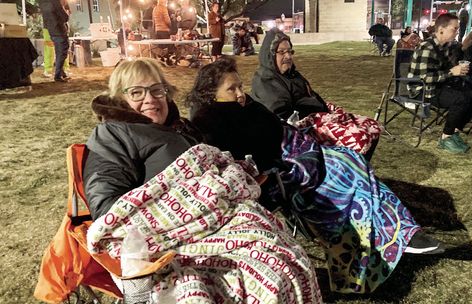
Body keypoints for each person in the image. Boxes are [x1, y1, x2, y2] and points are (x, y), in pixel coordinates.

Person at [187, 57, 444, 295]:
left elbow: (276, 126)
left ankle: (400, 231)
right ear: (211, 93)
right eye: (232, 89)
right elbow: (247, 156)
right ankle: (391, 238)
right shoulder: (210, 121)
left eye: (240, 86)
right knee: (341, 175)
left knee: (349, 158)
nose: (241, 94)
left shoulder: (246, 105)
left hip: (296, 150)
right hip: (276, 172)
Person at [83, 58, 322, 303]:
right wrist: (185, 201)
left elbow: (210, 162)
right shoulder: (113, 134)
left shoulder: (180, 127)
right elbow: (106, 206)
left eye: (157, 90)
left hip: (222, 219)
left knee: (287, 258)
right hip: (171, 236)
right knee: (264, 278)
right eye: (136, 92)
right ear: (120, 98)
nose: (150, 99)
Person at [251, 28, 381, 160]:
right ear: (270, 54)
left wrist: (326, 111)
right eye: (282, 52)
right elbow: (283, 115)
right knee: (359, 137)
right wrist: (315, 115)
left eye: (290, 51)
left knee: (371, 126)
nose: (288, 56)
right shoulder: (266, 80)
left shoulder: (292, 75)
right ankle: (347, 172)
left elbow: (311, 96)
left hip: (319, 117)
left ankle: (360, 169)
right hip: (301, 131)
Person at [408, 13, 472, 154]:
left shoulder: (447, 47)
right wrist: (451, 72)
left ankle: (454, 131)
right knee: (461, 99)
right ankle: (446, 138)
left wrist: (461, 68)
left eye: (458, 28)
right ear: (441, 29)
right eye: (454, 29)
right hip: (422, 89)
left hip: (439, 86)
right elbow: (424, 78)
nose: (457, 31)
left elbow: (452, 65)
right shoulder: (427, 47)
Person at [40, 0, 70, 82]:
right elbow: (65, 17)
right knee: (62, 52)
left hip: (50, 30)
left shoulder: (42, 3)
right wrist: (65, 11)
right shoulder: (55, 2)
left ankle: (62, 72)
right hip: (59, 29)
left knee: (58, 51)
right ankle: (58, 75)